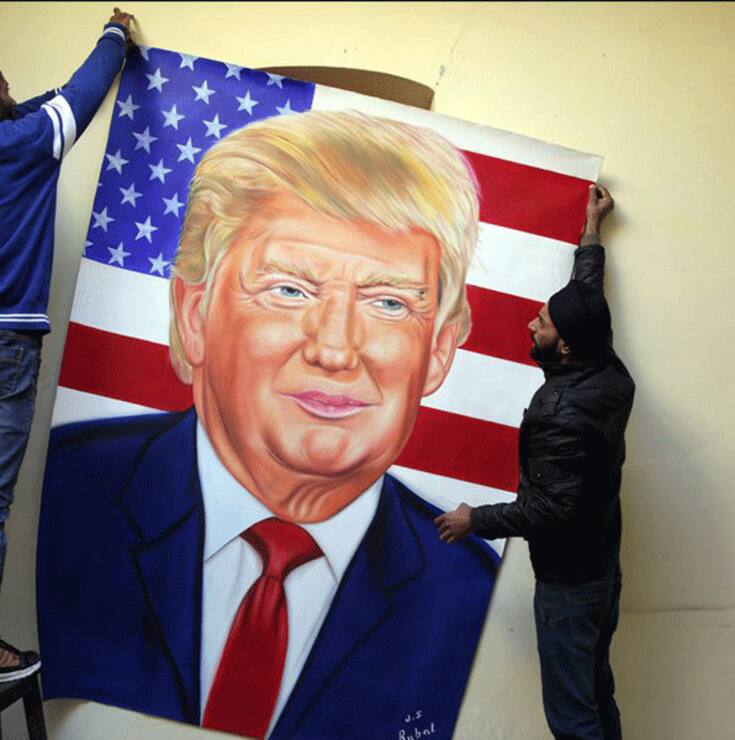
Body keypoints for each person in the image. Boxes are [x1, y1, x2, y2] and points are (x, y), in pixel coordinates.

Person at [37, 110, 500, 739]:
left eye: (389, 303)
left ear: (439, 352)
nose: (335, 349)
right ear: (195, 317)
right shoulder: (64, 491)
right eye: (289, 290)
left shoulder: (472, 593)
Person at [435, 184, 634, 740]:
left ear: (565, 345)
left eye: (542, 323)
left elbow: (549, 509)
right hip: (602, 570)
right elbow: (585, 297)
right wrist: (592, 230)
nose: (531, 323)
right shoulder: (605, 368)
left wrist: (474, 520)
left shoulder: (562, 414)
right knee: (596, 696)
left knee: (573, 719)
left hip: (570, 587)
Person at [0, 7, 134, 681]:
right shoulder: (22, 143)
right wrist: (115, 34)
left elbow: (44, 104)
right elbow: (78, 98)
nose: (10, 87)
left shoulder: (18, 133)